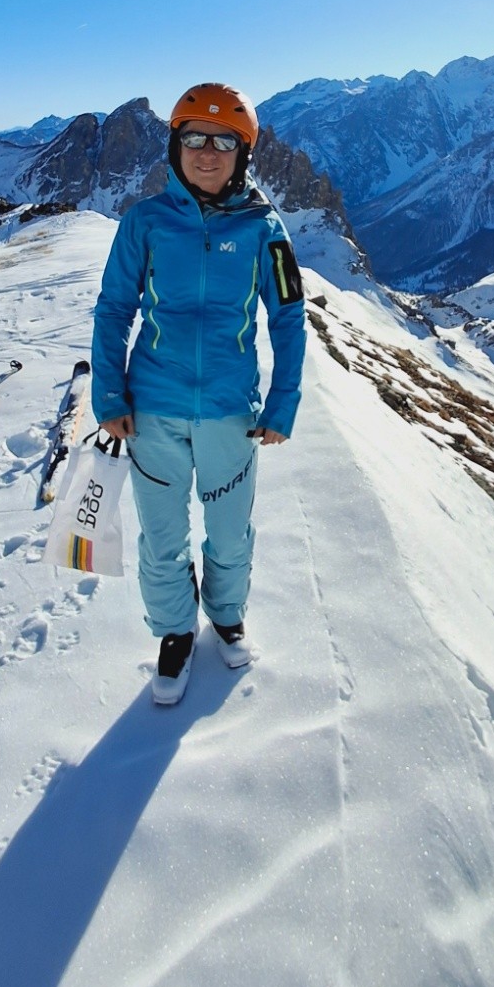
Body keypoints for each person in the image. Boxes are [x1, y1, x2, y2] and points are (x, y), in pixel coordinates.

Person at [91, 83, 307, 705]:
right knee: (162, 539)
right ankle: (174, 634)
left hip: (230, 412)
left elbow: (288, 317)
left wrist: (283, 402)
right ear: (175, 145)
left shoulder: (267, 229)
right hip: (151, 408)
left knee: (230, 532)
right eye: (193, 139)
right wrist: (111, 394)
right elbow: (113, 310)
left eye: (222, 142)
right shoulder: (145, 222)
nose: (206, 153)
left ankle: (227, 614)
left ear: (242, 154)